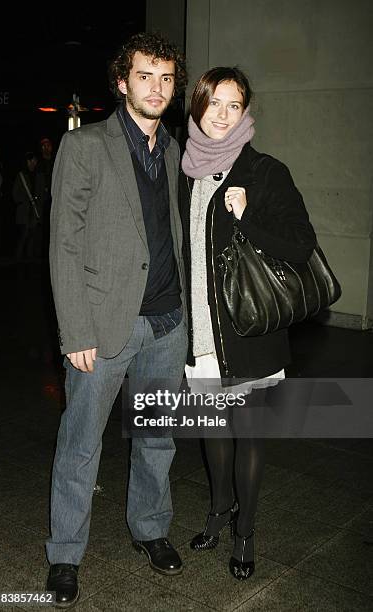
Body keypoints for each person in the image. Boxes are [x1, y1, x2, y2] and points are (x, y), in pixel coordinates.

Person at [46, 32, 188, 607]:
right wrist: (74, 330)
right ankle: (64, 555)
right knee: (81, 444)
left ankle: (151, 529)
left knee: (158, 438)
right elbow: (64, 243)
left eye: (166, 78)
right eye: (145, 76)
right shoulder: (86, 147)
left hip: (169, 324)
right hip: (105, 324)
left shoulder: (175, 150)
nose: (156, 87)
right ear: (123, 82)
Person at [179, 67, 317, 581]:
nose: (221, 113)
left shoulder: (264, 172)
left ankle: (246, 532)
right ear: (198, 106)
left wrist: (248, 216)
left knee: (250, 436)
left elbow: (301, 245)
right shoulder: (184, 168)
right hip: (200, 334)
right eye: (213, 102)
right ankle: (218, 512)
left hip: (250, 333)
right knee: (213, 432)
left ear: (246, 112)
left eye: (233, 105)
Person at [12, 151, 46, 260]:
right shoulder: (21, 175)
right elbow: (15, 195)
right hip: (25, 212)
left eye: (34, 161)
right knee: (23, 236)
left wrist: (38, 200)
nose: (32, 163)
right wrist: (26, 200)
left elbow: (44, 194)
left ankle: (30, 262)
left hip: (36, 212)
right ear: (27, 162)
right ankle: (18, 260)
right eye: (30, 161)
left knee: (33, 238)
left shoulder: (40, 176)